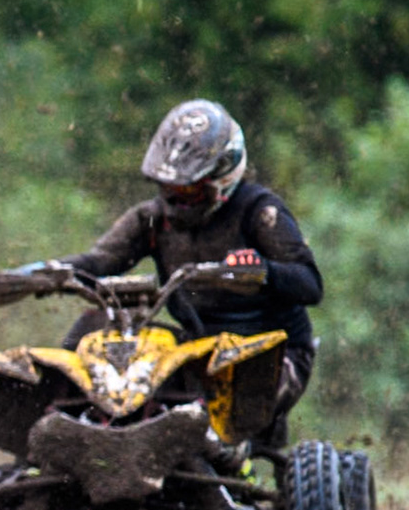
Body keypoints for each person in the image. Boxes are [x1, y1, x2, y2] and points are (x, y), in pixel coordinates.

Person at [32, 98, 323, 441]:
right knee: (94, 327)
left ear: (222, 175)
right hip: (195, 350)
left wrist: (263, 272)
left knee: (225, 400)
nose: (177, 200)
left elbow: (310, 284)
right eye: (170, 188)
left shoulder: (260, 212)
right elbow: (99, 263)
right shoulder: (152, 219)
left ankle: (230, 461)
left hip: (270, 353)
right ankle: (61, 428)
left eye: (188, 189)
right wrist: (43, 272)